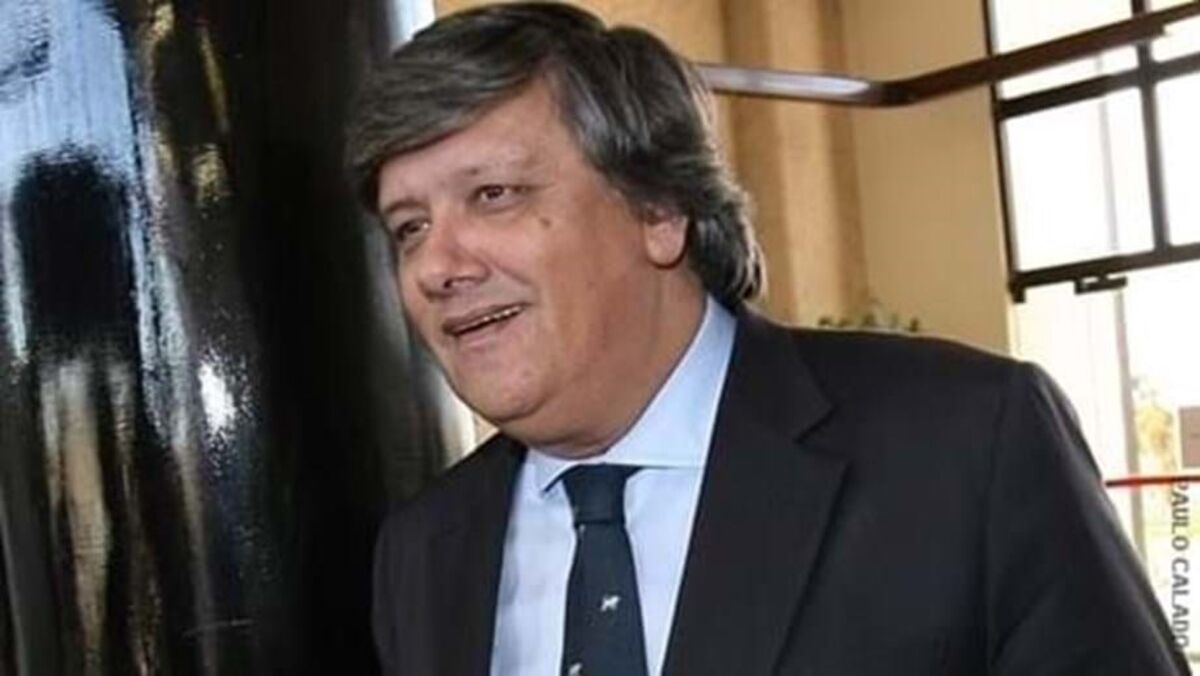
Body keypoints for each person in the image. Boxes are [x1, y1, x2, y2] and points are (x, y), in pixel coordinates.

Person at [346, 3, 1188, 675]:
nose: (436, 266)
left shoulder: (970, 442)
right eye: (409, 227)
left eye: (493, 195)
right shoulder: (422, 552)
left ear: (658, 210)